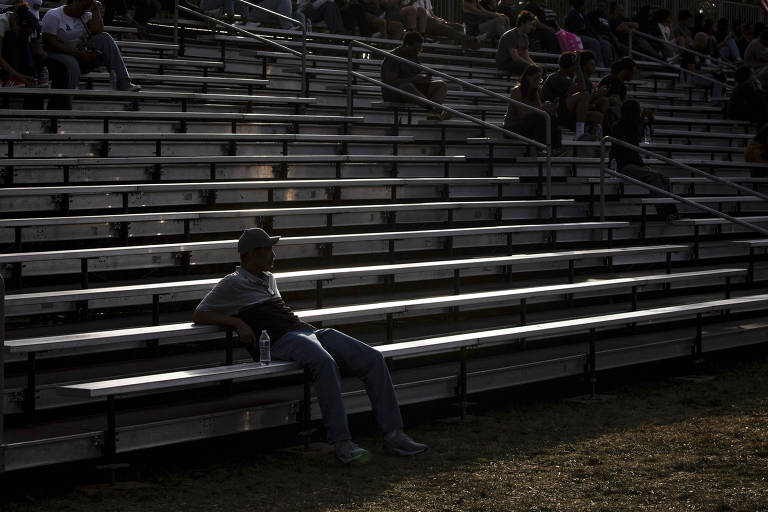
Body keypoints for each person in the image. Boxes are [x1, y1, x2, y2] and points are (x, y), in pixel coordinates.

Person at [193, 228, 429, 464]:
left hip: (304, 332)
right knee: (324, 362)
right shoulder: (232, 282)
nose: (273, 255)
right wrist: (236, 322)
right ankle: (342, 443)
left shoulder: (268, 278)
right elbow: (200, 313)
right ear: (252, 254)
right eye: (268, 250)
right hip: (280, 340)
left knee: (372, 357)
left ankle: (394, 434)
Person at [41, 0, 141, 95]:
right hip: (57, 55)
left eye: (88, 6)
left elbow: (98, 31)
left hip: (79, 55)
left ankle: (123, 82)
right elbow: (50, 43)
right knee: (71, 63)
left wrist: (95, 9)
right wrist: (76, 53)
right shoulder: (54, 15)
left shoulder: (86, 15)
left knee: (105, 38)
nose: (86, 9)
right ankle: (68, 95)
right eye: (85, 5)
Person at [610, 99, 678, 222]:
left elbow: (641, 133)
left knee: (664, 178)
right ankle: (666, 213)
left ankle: (671, 211)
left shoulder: (632, 125)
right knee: (653, 177)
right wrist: (644, 120)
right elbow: (629, 145)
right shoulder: (619, 127)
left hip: (635, 163)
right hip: (623, 165)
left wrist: (648, 120)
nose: (639, 114)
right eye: (637, 111)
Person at [380, 31, 449, 120]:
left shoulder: (413, 55)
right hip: (394, 93)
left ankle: (434, 111)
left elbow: (416, 76)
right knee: (407, 86)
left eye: (420, 50)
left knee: (441, 84)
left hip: (414, 90)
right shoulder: (393, 57)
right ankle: (435, 109)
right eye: (416, 49)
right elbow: (390, 82)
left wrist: (423, 78)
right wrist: (414, 79)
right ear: (407, 45)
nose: (418, 52)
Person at [540, 51, 602, 140]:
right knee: (584, 95)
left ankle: (592, 143)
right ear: (571, 65)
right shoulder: (556, 77)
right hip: (554, 111)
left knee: (598, 116)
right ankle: (579, 134)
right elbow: (582, 88)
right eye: (575, 65)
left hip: (564, 111)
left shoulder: (566, 77)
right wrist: (578, 67)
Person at [502, 64, 562, 153]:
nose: (538, 81)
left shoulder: (536, 91)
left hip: (526, 125)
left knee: (551, 118)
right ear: (527, 77)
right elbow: (522, 115)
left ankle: (556, 148)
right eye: (536, 78)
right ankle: (540, 148)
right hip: (513, 127)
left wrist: (551, 108)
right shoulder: (517, 91)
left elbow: (540, 111)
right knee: (541, 119)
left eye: (540, 79)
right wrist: (542, 108)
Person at [564, 0, 612, 68]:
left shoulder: (583, 15)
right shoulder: (571, 14)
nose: (584, 5)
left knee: (605, 43)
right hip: (577, 37)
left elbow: (590, 28)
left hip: (587, 36)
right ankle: (600, 65)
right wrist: (593, 36)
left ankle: (607, 65)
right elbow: (577, 30)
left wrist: (597, 36)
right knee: (594, 43)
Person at [681, 32, 727, 101]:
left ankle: (717, 101)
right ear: (700, 41)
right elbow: (692, 71)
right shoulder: (690, 51)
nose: (705, 46)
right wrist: (710, 71)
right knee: (718, 79)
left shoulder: (696, 50)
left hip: (697, 76)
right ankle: (716, 103)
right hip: (690, 77)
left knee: (720, 76)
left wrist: (712, 71)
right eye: (705, 43)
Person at [495, 9, 536, 75]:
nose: (531, 27)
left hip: (515, 63)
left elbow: (526, 56)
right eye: (530, 24)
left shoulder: (525, 37)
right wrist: (532, 66)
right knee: (529, 68)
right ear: (523, 23)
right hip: (505, 63)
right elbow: (515, 58)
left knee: (537, 70)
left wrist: (535, 66)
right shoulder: (511, 35)